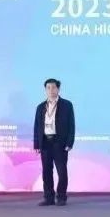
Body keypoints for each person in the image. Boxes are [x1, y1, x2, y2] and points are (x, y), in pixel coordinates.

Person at [33, 78, 75, 207]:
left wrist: (70, 142)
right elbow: (37, 126)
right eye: (48, 88)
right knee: (46, 171)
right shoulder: (41, 107)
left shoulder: (67, 105)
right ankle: (48, 197)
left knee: (62, 171)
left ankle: (61, 197)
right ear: (45, 90)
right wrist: (36, 144)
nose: (51, 90)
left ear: (58, 89)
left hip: (60, 142)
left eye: (53, 87)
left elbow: (71, 125)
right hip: (45, 142)